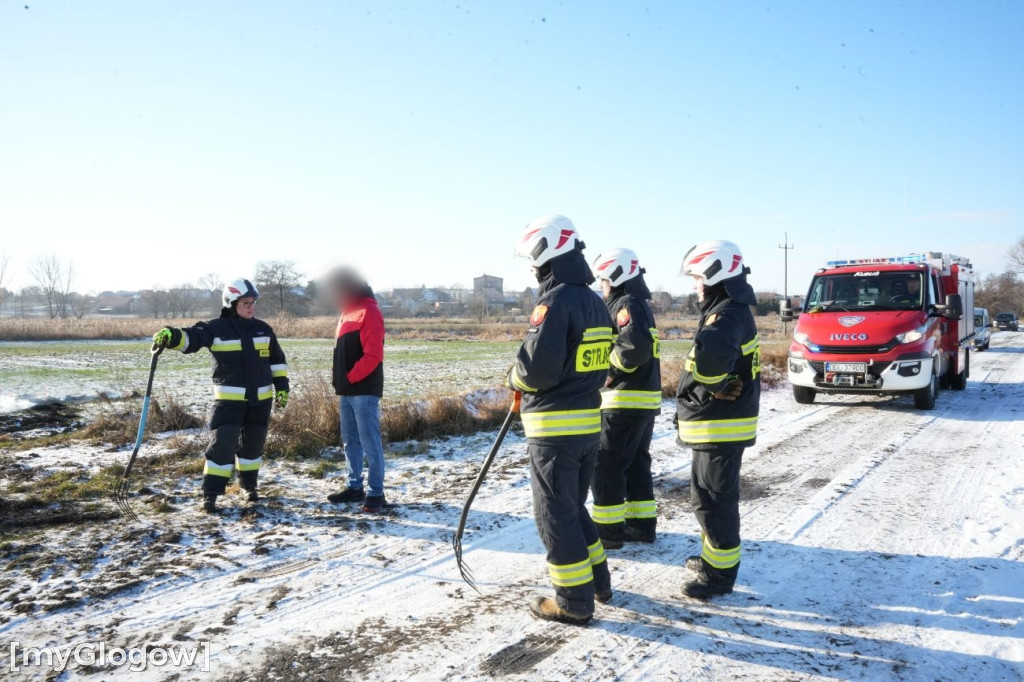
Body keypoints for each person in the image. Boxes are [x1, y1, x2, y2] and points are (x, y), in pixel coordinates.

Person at [507, 215, 614, 625]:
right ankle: (599, 582)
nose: (533, 270)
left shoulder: (554, 302)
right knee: (573, 509)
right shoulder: (594, 301)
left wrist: (512, 377)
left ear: (545, 253)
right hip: (587, 427)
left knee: (555, 516)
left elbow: (535, 370)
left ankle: (572, 601)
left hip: (555, 432)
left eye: (533, 261)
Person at [153, 278, 289, 513]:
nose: (251, 306)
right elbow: (191, 338)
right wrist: (172, 337)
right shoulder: (215, 328)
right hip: (229, 404)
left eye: (253, 302)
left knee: (252, 448)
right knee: (222, 447)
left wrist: (283, 387)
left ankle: (248, 487)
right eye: (246, 302)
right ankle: (211, 494)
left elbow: (276, 360)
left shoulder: (264, 329)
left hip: (261, 402)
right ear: (231, 302)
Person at [676, 240, 761, 600]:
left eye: (697, 276)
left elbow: (711, 364)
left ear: (714, 273)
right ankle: (714, 562)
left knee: (713, 502)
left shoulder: (725, 314)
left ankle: (719, 577)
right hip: (719, 426)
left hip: (719, 427)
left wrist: (714, 385)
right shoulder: (732, 309)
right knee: (708, 499)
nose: (695, 283)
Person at [590, 248, 662, 549]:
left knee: (606, 466)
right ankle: (641, 525)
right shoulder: (637, 302)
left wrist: (607, 373)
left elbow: (633, 346)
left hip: (623, 401)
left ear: (617, 276)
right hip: (641, 401)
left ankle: (607, 534)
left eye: (604, 281)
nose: (602, 287)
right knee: (634, 464)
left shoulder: (626, 303)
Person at [325, 268, 388, 513]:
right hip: (347, 391)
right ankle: (354, 487)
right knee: (350, 442)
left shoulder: (370, 312)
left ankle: (376, 493)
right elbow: (340, 353)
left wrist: (350, 378)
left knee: (370, 442)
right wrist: (340, 381)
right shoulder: (346, 313)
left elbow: (373, 354)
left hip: (363, 391)